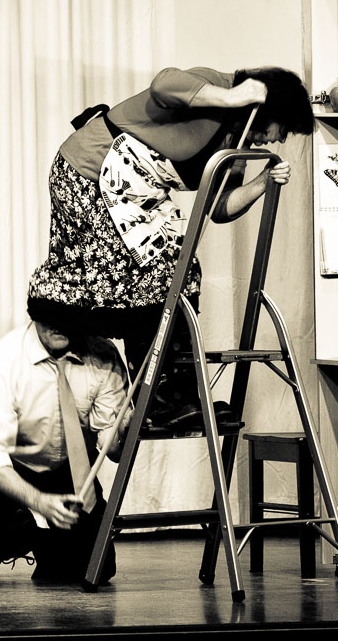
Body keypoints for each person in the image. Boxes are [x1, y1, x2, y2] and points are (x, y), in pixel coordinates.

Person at [27, 65, 314, 428]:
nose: (278, 138)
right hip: (90, 173)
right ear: (272, 108)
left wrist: (262, 183)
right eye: (283, 127)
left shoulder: (237, 143)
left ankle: (178, 395)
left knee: (182, 270)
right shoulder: (217, 86)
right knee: (141, 270)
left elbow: (219, 207)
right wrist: (232, 97)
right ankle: (153, 396)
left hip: (138, 194)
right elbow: (163, 84)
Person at [0, 306, 130, 588]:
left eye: (65, 314)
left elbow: (111, 449)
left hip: (63, 468)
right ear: (34, 312)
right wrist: (40, 502)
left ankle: (31, 535)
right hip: (3, 467)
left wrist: (125, 431)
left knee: (96, 567)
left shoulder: (102, 357)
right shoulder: (5, 359)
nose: (58, 324)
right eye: (49, 313)